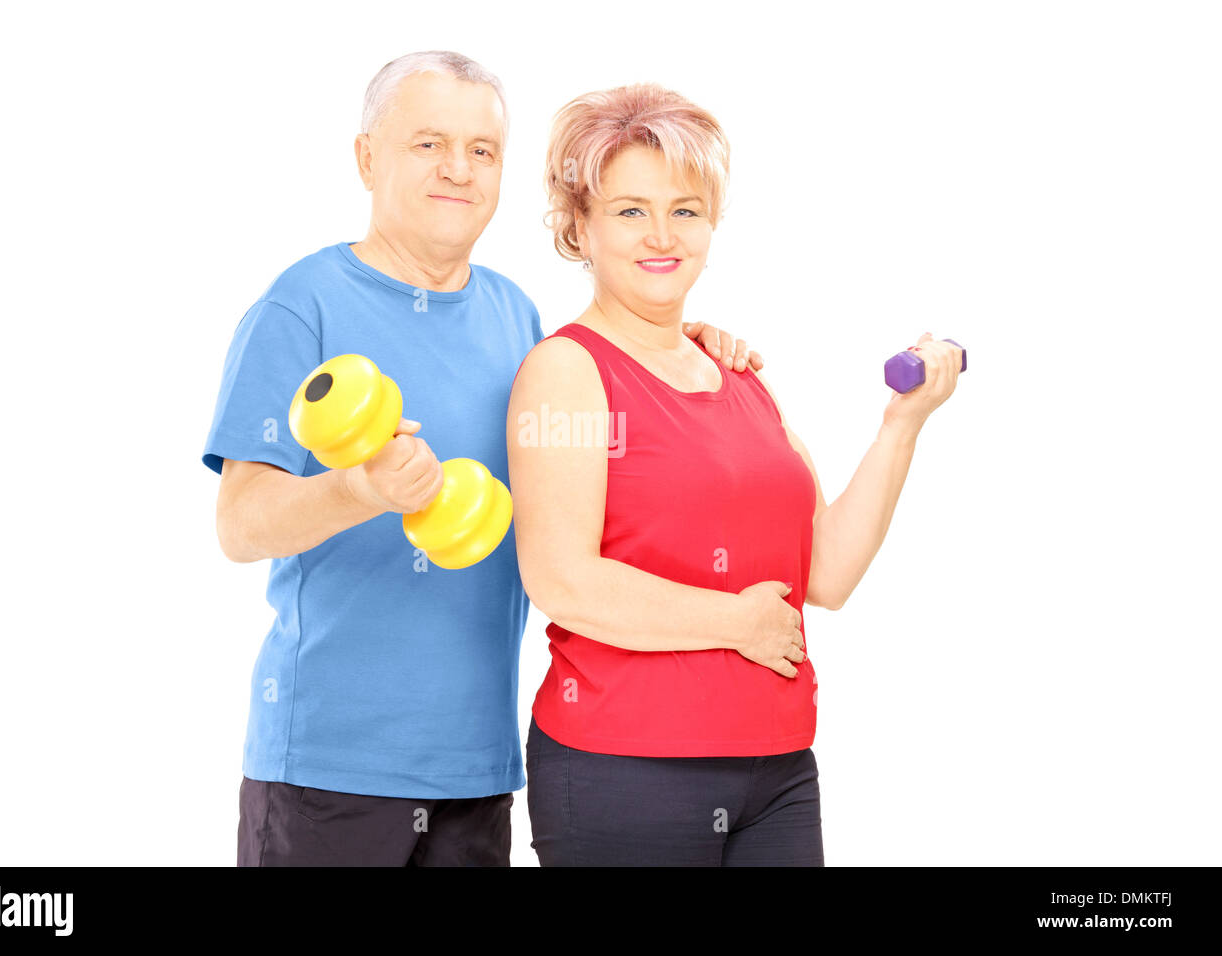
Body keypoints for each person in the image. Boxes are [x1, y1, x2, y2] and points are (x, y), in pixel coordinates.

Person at [201, 52, 761, 866]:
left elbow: (599, 451)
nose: (458, 171)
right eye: (428, 145)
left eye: (483, 151)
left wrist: (693, 348)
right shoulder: (302, 304)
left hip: (479, 771)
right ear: (367, 158)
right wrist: (361, 488)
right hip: (329, 773)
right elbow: (240, 525)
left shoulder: (515, 315)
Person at [507, 82, 962, 866]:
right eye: (629, 210)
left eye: (685, 209)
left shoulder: (740, 373)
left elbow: (826, 572)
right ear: (579, 226)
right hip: (624, 771)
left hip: (778, 769)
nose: (662, 234)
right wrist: (735, 621)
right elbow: (560, 579)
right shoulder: (566, 371)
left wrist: (902, 426)